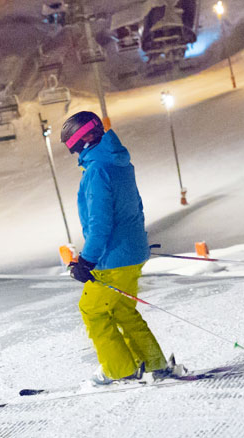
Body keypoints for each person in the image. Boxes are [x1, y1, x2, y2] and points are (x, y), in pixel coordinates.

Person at [60, 111, 184, 386]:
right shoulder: (119, 162)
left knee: (92, 310)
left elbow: (100, 223)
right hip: (132, 252)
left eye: (73, 147)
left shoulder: (97, 170)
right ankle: (154, 363)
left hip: (112, 259)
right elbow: (134, 207)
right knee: (124, 310)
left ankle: (120, 369)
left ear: (81, 141)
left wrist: (87, 261)